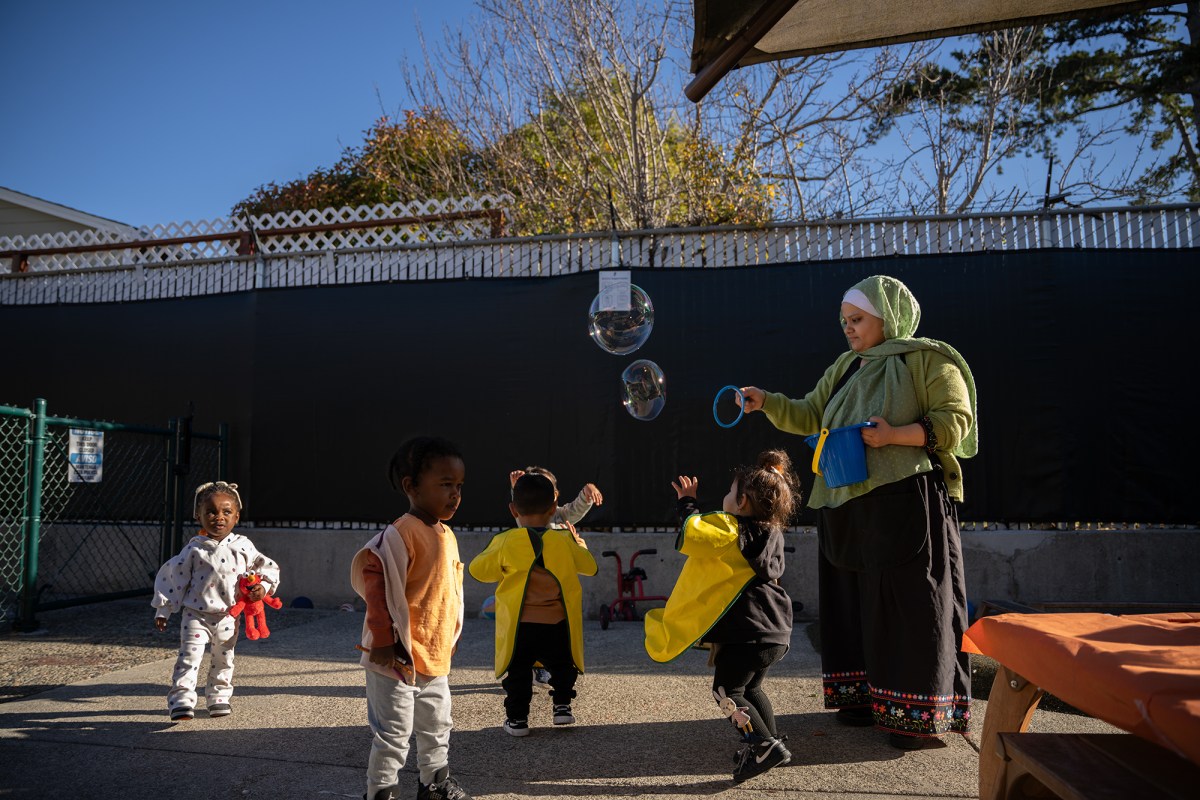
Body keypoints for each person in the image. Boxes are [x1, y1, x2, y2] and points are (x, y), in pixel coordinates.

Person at [737, 273, 978, 750]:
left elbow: (956, 422)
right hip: (846, 501)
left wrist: (895, 435)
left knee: (908, 605)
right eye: (844, 320)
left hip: (904, 499)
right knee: (854, 606)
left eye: (857, 319)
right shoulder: (847, 365)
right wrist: (765, 402)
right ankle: (864, 701)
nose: (847, 328)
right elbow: (809, 413)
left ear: (888, 317)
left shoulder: (927, 358)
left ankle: (917, 718)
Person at [645, 449, 798, 783]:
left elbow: (695, 534)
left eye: (730, 493)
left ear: (742, 502)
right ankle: (770, 745)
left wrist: (687, 503)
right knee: (752, 688)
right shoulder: (771, 534)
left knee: (726, 690)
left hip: (749, 632)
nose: (726, 498)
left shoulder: (731, 528)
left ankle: (762, 744)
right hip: (775, 631)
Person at [350, 436, 472, 800]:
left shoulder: (445, 533)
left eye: (459, 486)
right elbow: (376, 584)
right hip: (396, 657)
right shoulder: (400, 533)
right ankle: (382, 791)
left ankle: (434, 784)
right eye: (445, 485)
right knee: (393, 731)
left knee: (438, 724)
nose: (455, 494)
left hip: (432, 656)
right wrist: (384, 641)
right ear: (411, 487)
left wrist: (447, 634)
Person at [469, 468, 598, 737]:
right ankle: (562, 706)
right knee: (563, 666)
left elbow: (478, 571)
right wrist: (580, 544)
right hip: (557, 623)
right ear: (554, 509)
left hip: (520, 626)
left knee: (517, 674)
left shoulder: (505, 541)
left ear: (513, 510)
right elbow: (590, 567)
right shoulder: (563, 540)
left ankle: (517, 720)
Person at [152, 480, 279, 722]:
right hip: (195, 616)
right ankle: (181, 700)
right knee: (189, 658)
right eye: (210, 511)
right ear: (198, 516)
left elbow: (268, 568)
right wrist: (163, 609)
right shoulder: (194, 549)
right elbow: (172, 577)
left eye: (226, 512)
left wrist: (261, 588)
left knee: (224, 658)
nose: (218, 517)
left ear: (237, 516)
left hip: (229, 617)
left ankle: (219, 696)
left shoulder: (243, 546)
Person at [508, 467, 603, 689]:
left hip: (556, 587)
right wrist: (516, 489)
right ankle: (537, 673)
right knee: (534, 634)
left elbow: (576, 509)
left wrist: (588, 490)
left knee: (553, 635)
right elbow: (522, 509)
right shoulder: (527, 519)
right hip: (533, 587)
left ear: (555, 497)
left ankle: (545, 674)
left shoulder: (559, 514)